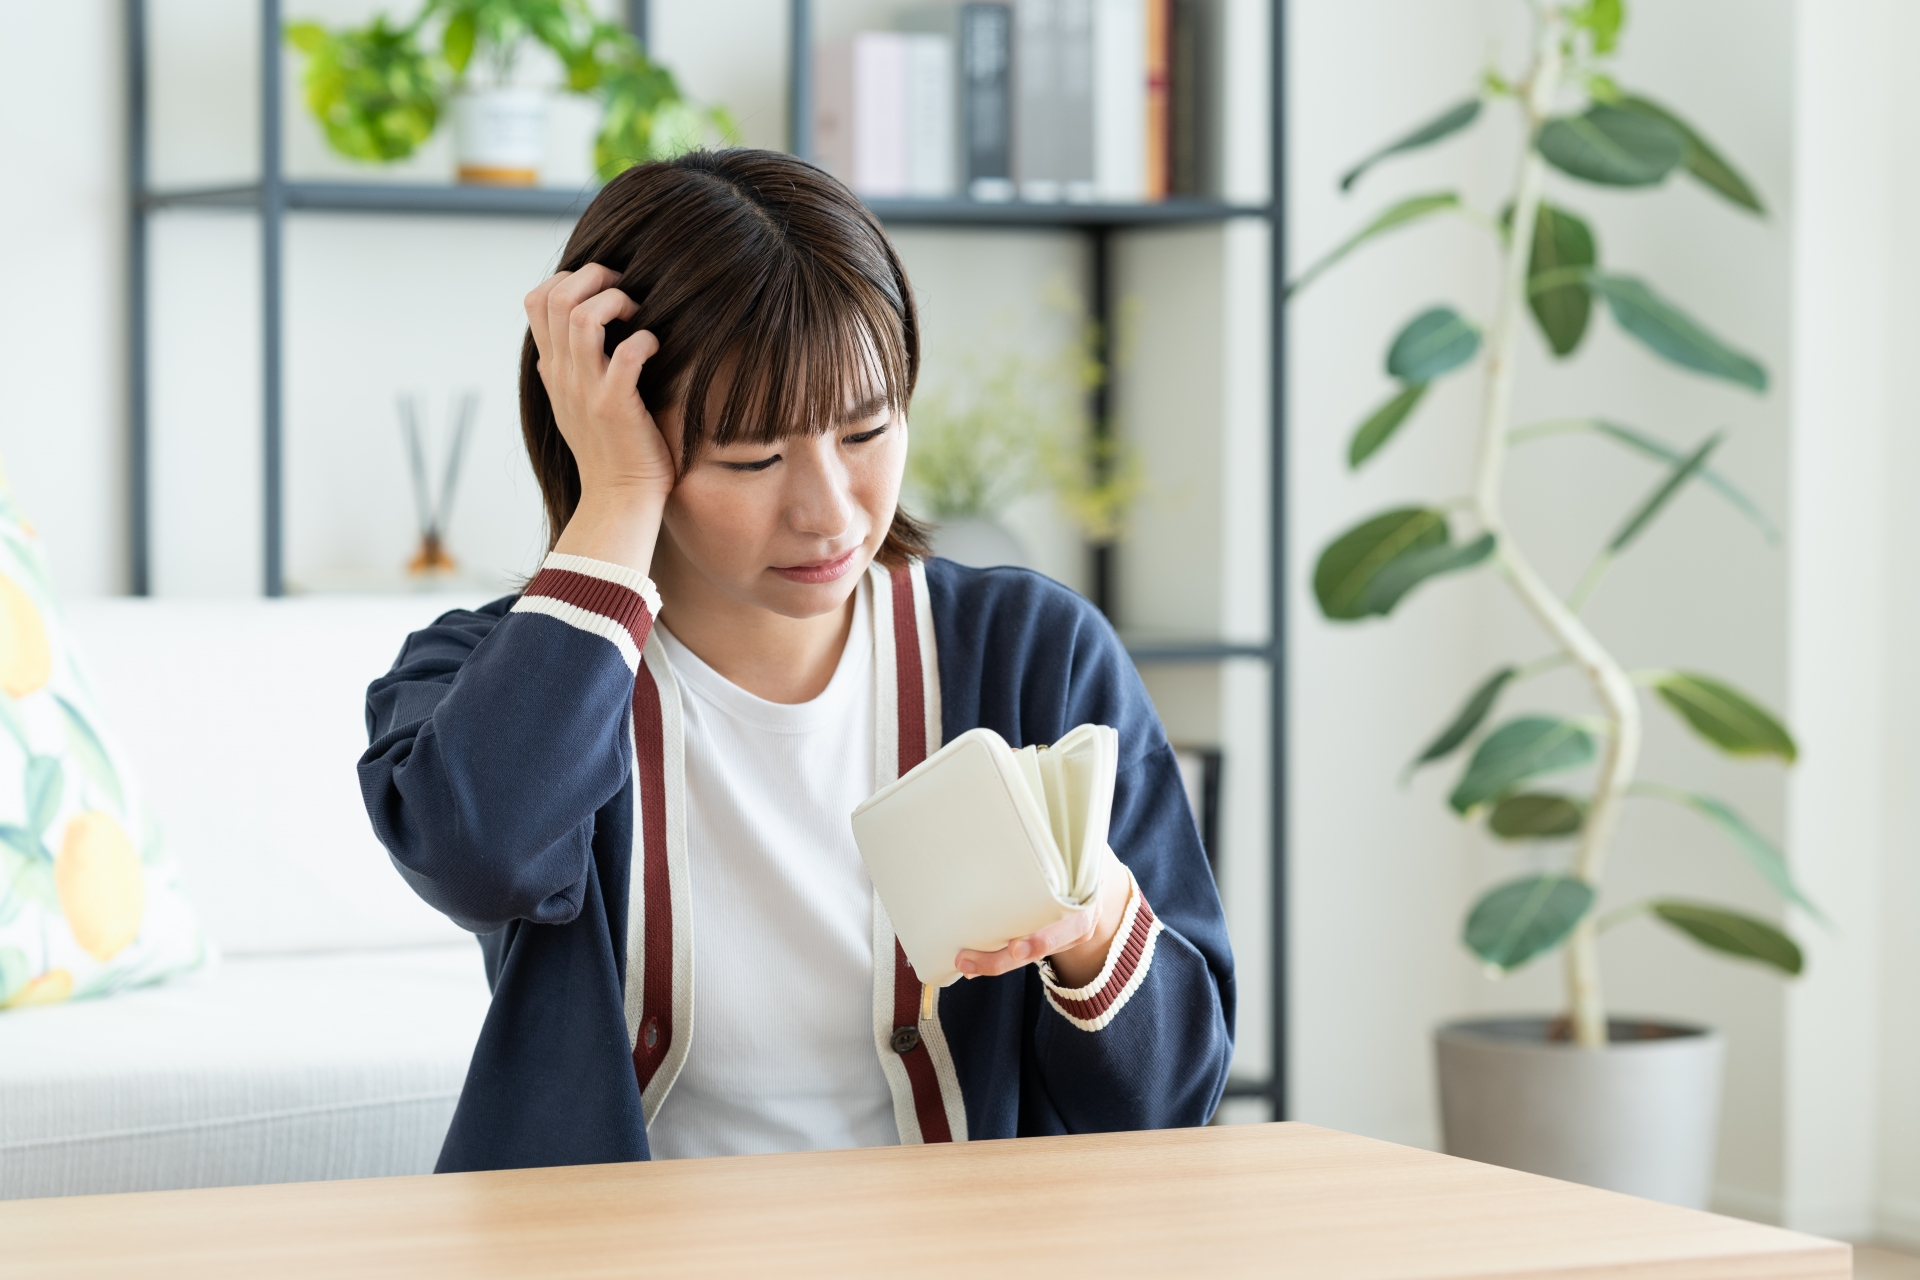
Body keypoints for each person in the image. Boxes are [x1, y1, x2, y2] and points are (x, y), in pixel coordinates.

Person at [359, 148, 1234, 1173]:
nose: (829, 512)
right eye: (752, 457)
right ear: (616, 426)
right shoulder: (494, 672)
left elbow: (1173, 1100)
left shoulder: (1033, 654)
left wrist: (1092, 939)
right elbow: (481, 853)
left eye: (867, 429)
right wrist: (616, 505)